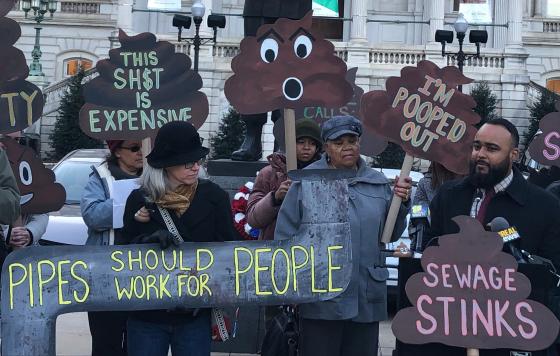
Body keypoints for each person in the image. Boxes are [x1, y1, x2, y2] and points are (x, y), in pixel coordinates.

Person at [274, 115, 412, 356]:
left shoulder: (378, 183)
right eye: (339, 142)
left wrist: (401, 204)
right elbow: (285, 236)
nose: (347, 147)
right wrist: (291, 286)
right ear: (326, 147)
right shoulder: (306, 182)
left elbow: (390, 234)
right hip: (322, 299)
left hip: (366, 296)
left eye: (352, 140)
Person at [121, 121, 236, 356]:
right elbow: (122, 254)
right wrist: (147, 242)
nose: (195, 167)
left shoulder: (215, 197)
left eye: (198, 160)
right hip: (148, 313)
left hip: (194, 313)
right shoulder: (140, 199)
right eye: (187, 162)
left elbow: (226, 250)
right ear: (166, 164)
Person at [426, 118, 560, 268]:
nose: (480, 154)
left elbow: (551, 273)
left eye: (491, 149)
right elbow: (429, 248)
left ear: (513, 154)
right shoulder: (448, 194)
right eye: (477, 147)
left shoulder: (545, 206)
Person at [81, 139, 144, 356]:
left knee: (138, 343)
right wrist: (129, 198)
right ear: (117, 151)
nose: (141, 153)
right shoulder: (100, 176)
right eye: (135, 148)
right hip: (106, 276)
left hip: (143, 276)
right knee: (106, 342)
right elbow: (92, 215)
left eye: (144, 148)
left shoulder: (155, 175)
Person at [232, 0, 312, 161]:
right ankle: (252, 137)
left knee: (290, 67)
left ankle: (282, 139)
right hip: (258, 7)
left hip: (294, 9)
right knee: (254, 64)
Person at [247, 118, 322, 241]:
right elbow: (253, 219)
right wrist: (275, 198)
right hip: (277, 250)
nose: (307, 147)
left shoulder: (323, 174)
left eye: (312, 143)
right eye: (301, 142)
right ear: (290, 144)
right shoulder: (268, 174)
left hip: (313, 248)